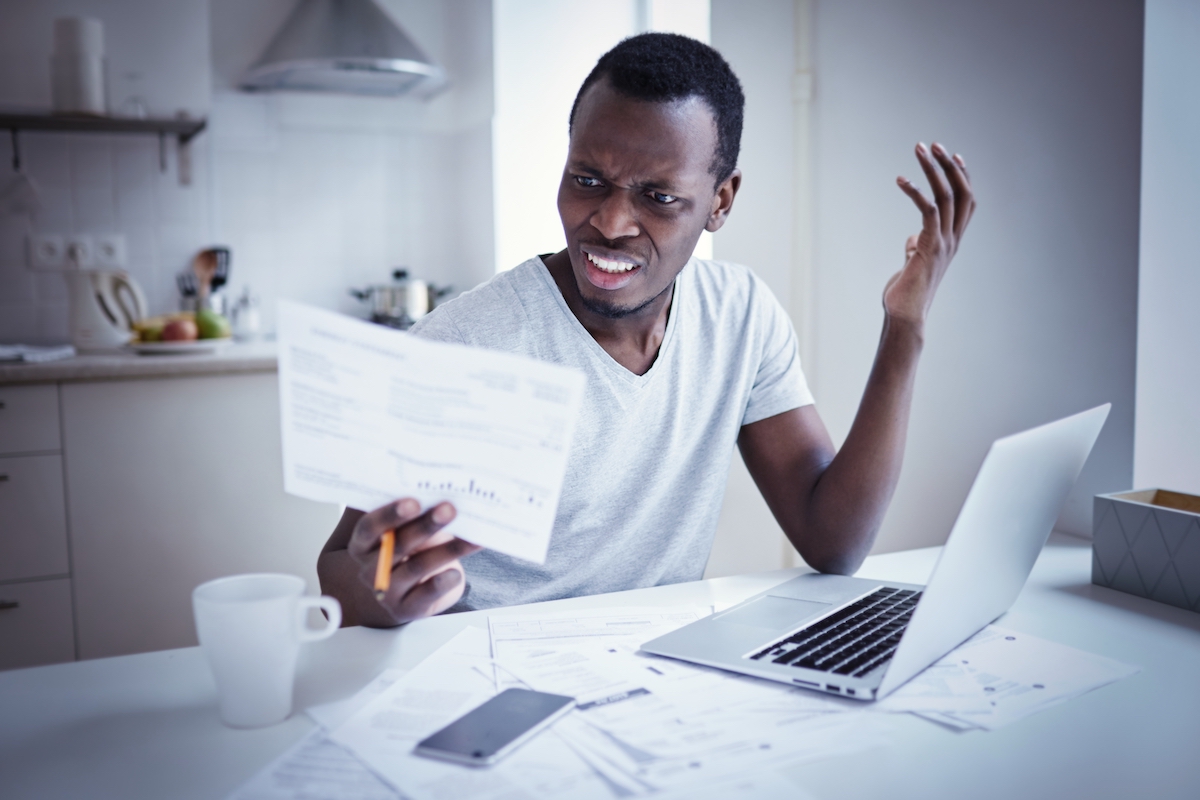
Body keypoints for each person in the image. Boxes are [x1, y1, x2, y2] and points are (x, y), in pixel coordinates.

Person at [317, 32, 975, 628]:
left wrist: (904, 327)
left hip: (653, 674)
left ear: (720, 201)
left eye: (658, 197)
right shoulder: (465, 343)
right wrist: (380, 589)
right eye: (587, 180)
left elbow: (835, 541)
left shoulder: (740, 315)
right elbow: (339, 566)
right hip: (488, 677)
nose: (609, 222)